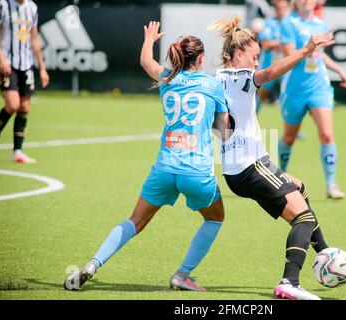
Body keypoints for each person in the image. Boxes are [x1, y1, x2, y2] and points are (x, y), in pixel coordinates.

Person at [64, 21, 229, 292]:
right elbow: (225, 133)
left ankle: (93, 264)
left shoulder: (166, 78)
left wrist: (149, 38)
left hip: (164, 169)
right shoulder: (212, 86)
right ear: (200, 59)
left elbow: (145, 60)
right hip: (196, 171)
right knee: (215, 218)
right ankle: (182, 275)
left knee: (135, 221)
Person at [208, 16, 332, 300]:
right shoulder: (242, 78)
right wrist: (305, 50)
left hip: (244, 166)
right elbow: (273, 71)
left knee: (299, 187)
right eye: (254, 57)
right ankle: (289, 282)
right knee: (303, 217)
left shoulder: (216, 79)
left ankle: (324, 252)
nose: (256, 63)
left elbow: (219, 127)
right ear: (238, 54)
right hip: (249, 167)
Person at [278, 0, 346, 199]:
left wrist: (340, 70)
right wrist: (310, 47)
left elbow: (320, 56)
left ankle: (331, 185)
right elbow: (288, 56)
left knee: (327, 135)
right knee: (289, 137)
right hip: (294, 89)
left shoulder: (320, 24)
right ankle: (280, 178)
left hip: (319, 87)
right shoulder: (288, 23)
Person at [0, 0, 49, 164]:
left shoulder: (32, 7)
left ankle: (18, 151)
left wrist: (42, 67)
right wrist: (2, 60)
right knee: (12, 105)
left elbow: (34, 38)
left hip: (26, 64)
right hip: (7, 63)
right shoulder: (3, 5)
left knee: (24, 107)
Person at [256, 0, 289, 113]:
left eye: (283, 7)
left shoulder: (292, 24)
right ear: (275, 8)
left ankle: (292, 130)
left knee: (288, 98)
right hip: (268, 67)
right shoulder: (269, 23)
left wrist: (277, 42)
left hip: (286, 67)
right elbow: (266, 44)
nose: (281, 10)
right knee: (260, 97)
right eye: (278, 7)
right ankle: (248, 124)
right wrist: (286, 42)